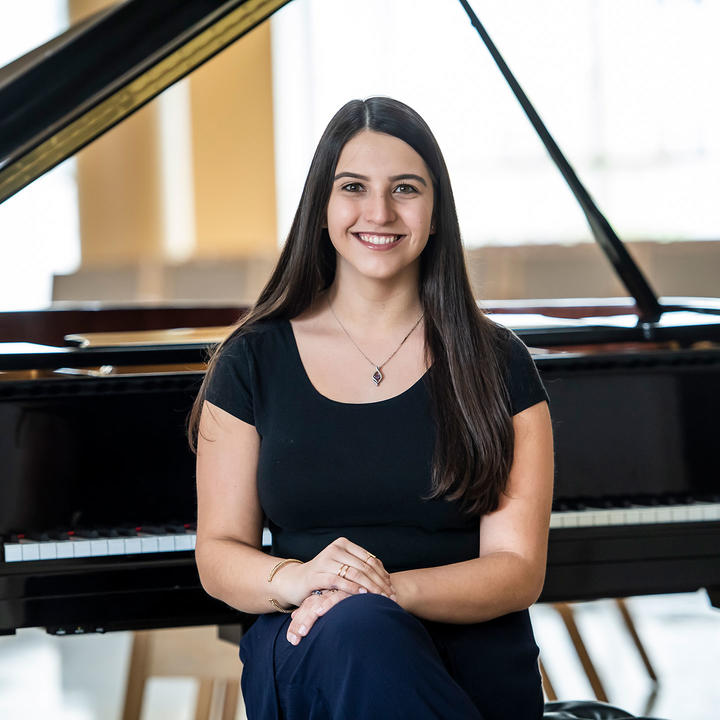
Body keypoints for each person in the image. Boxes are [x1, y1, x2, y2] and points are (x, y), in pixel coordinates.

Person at [188, 96, 554, 719]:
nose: (379, 212)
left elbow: (518, 569)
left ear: (436, 212)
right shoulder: (250, 361)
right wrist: (303, 580)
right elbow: (219, 552)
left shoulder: (500, 364)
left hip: (471, 656)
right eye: (353, 187)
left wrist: (390, 592)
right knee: (360, 632)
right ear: (322, 209)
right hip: (312, 643)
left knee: (368, 625)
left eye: (405, 189)